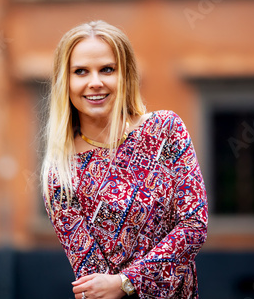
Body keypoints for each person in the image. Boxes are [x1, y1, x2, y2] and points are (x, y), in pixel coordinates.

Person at [41, 20, 208, 299]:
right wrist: (113, 287)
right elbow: (93, 281)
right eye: (80, 71)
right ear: (65, 81)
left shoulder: (165, 130)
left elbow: (194, 225)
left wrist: (125, 282)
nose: (95, 82)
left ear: (126, 75)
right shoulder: (61, 173)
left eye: (107, 69)